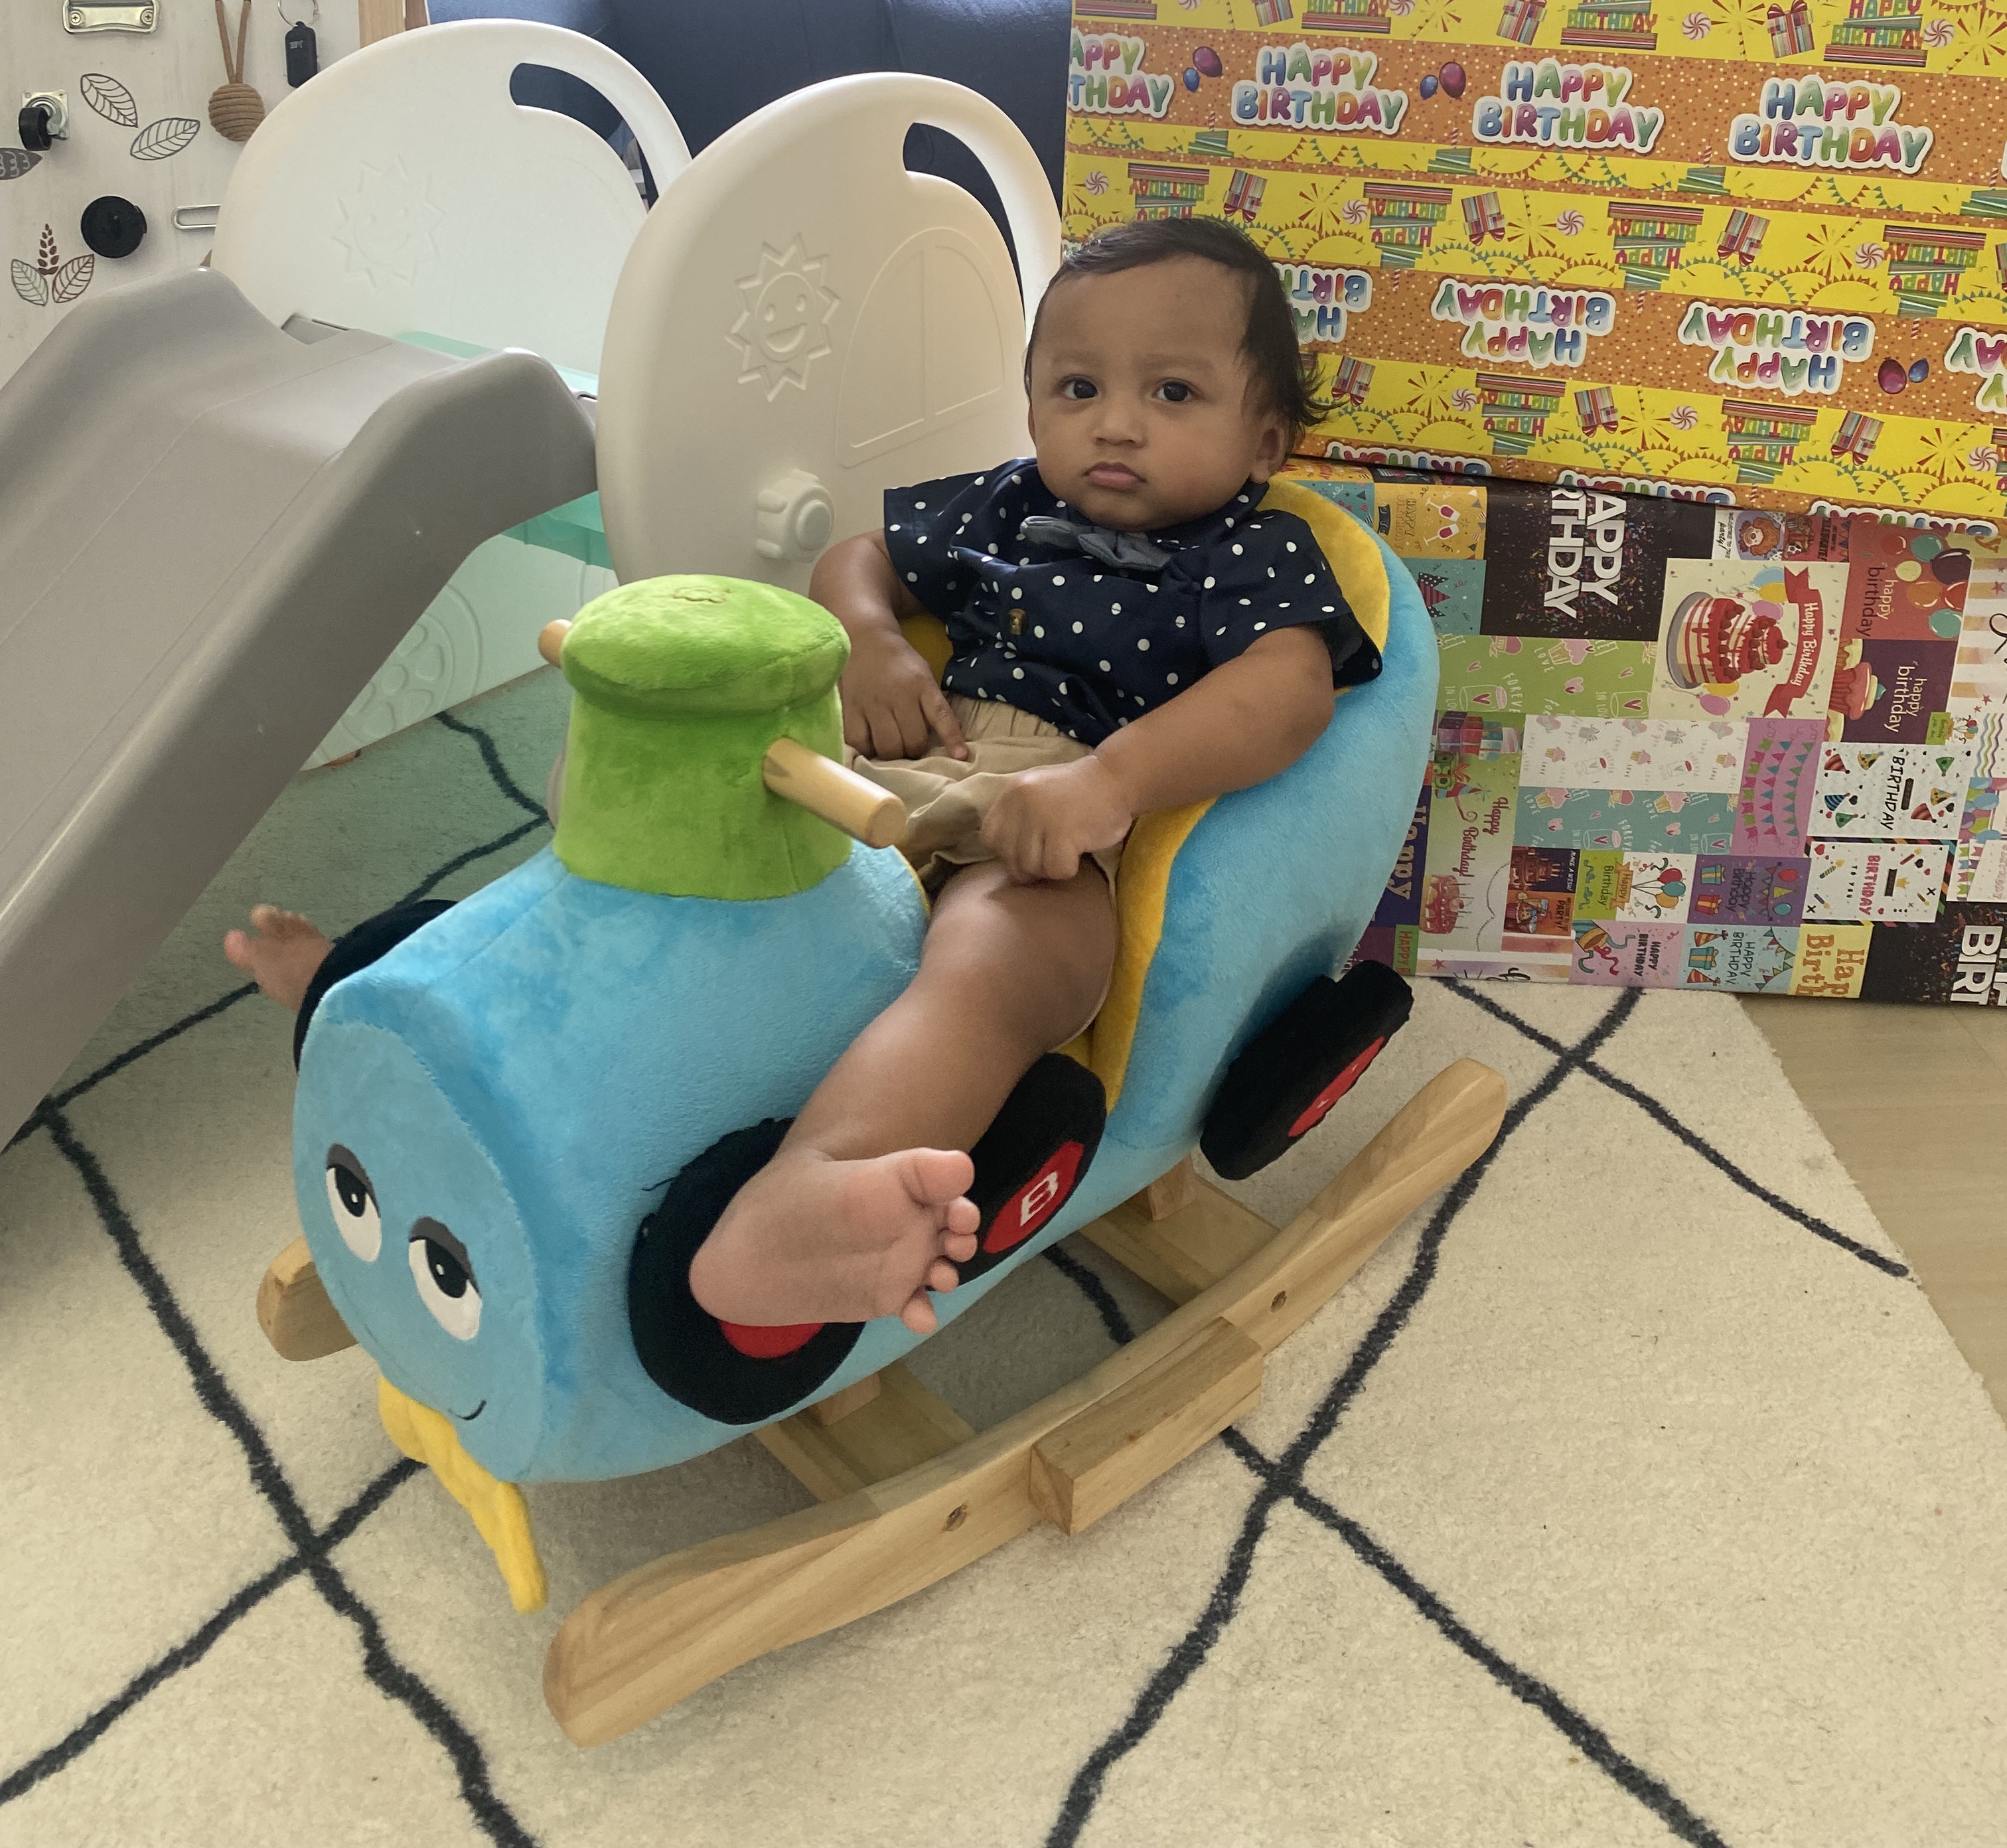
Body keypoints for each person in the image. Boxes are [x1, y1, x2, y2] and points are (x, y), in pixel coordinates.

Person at [226, 219, 1381, 1339]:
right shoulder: (1011, 500)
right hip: (881, 753)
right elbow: (858, 557)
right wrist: (871, 641)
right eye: (1078, 388)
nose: (1115, 423)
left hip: (1047, 814)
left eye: (1173, 393)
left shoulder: (1251, 549)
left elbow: (1287, 690)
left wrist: (1110, 783)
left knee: (1006, 962)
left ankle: (818, 1191)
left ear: (1265, 442)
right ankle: (405, 982)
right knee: (661, 826)